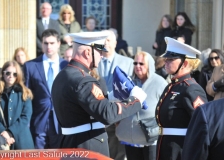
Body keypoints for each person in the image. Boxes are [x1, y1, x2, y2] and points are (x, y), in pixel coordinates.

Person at [51, 32, 146, 157]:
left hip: (71, 145)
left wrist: (111, 97)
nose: (102, 56)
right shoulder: (83, 80)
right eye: (99, 51)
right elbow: (107, 114)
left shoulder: (63, 76)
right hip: (87, 147)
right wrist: (136, 100)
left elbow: (85, 107)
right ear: (87, 53)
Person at [155, 37, 208, 160]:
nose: (165, 62)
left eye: (171, 59)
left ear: (184, 63)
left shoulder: (191, 89)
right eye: (166, 59)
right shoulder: (172, 86)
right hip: (165, 148)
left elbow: (203, 125)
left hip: (181, 151)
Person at [23, 29, 68, 149]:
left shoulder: (67, 66)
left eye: (52, 43)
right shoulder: (30, 66)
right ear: (42, 44)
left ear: (59, 44)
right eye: (46, 43)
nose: (49, 46)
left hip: (61, 121)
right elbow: (26, 96)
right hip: (38, 120)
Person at [123, 51, 167, 160]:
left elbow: (166, 109)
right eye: (135, 63)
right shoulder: (129, 83)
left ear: (149, 66)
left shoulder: (160, 83)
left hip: (151, 140)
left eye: (141, 63)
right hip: (131, 140)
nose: (137, 66)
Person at [97, 30, 133, 160]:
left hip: (119, 115)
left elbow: (131, 90)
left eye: (108, 40)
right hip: (99, 114)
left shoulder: (128, 63)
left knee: (120, 153)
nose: (105, 43)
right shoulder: (94, 62)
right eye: (103, 40)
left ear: (115, 43)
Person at [0, 60, 34, 149]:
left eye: (14, 74)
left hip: (22, 140)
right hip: (2, 140)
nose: (11, 76)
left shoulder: (25, 93)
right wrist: (3, 132)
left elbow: (26, 117)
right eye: (8, 73)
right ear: (3, 74)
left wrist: (9, 132)